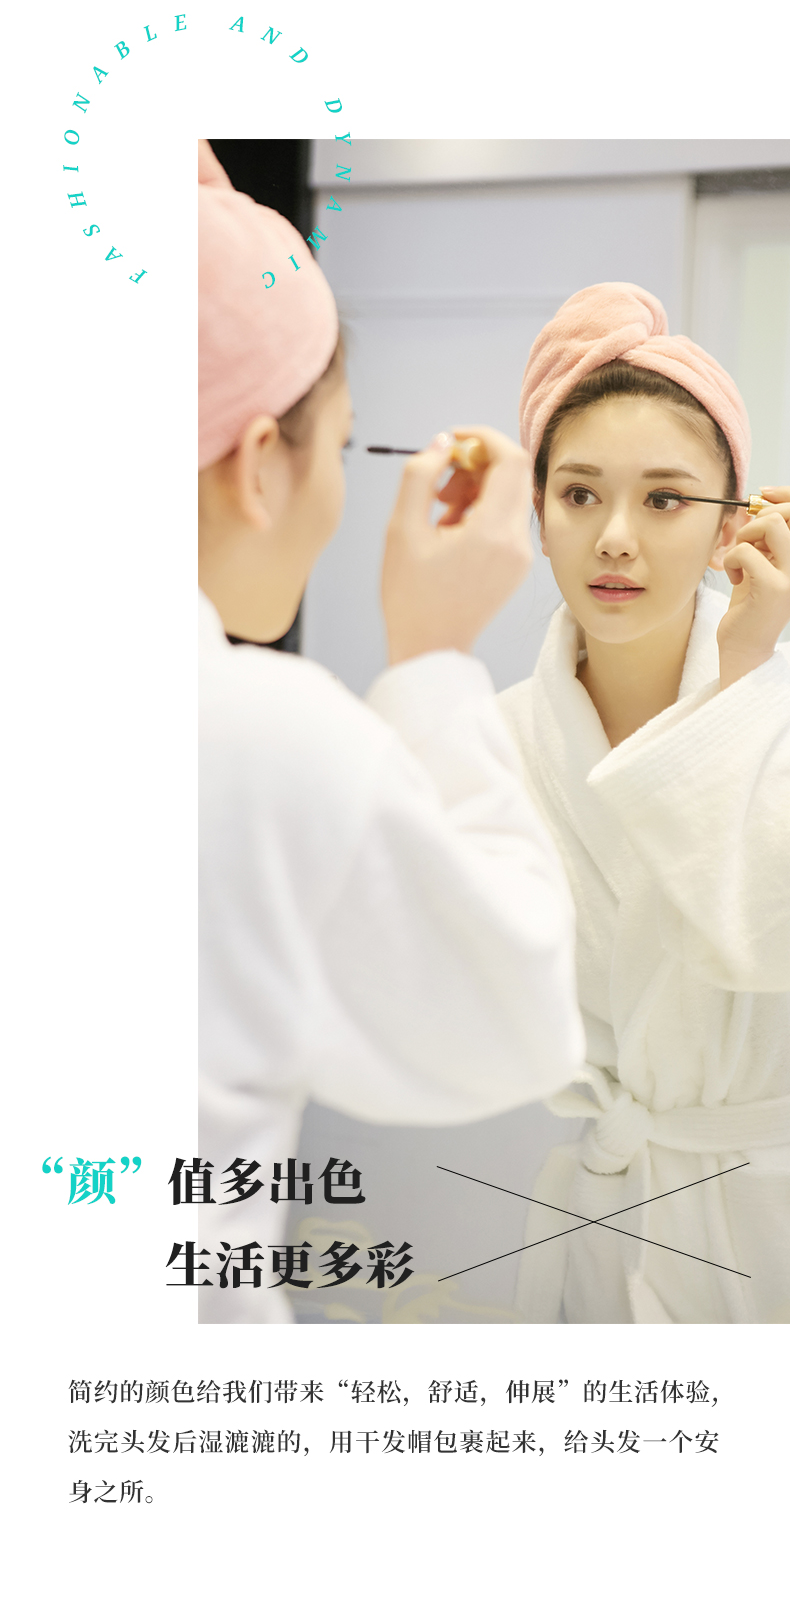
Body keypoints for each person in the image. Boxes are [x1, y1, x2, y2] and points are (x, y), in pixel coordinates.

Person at [196, 141, 585, 1322]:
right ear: (258, 464)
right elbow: (515, 1016)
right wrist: (430, 657)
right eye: (341, 441)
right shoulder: (255, 733)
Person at [491, 281, 790, 1325]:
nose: (615, 537)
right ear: (538, 516)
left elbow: (762, 939)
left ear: (732, 528)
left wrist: (744, 685)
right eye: (579, 495)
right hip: (605, 1213)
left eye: (664, 500)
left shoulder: (779, 717)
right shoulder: (495, 742)